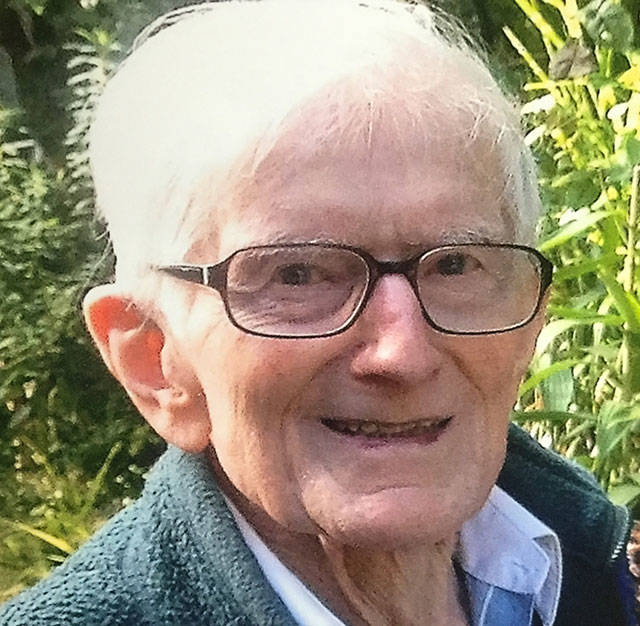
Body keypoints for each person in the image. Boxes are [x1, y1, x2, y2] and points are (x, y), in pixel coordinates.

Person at [1, 1, 636, 624]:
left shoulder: (594, 564)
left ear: (531, 316)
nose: (402, 353)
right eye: (297, 274)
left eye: (454, 265)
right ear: (154, 359)